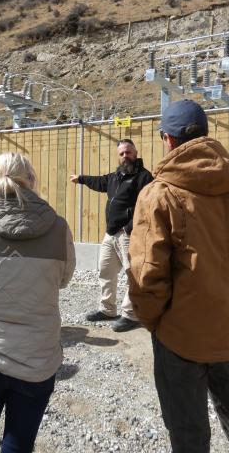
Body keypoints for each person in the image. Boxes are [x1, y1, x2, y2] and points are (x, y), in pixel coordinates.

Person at [128, 100, 229, 453]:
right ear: (206, 135)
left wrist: (156, 323)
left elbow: (148, 276)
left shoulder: (158, 195)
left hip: (181, 336)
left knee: (188, 433)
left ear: (167, 140)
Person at [0, 153, 75, 453]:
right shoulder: (59, 228)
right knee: (19, 445)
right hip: (37, 355)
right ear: (32, 180)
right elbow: (64, 279)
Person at [70, 139, 153, 332]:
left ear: (136, 152)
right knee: (105, 272)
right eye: (122, 153)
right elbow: (99, 182)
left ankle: (131, 315)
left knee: (133, 275)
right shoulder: (116, 176)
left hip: (128, 235)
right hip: (111, 234)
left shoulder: (144, 177)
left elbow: (148, 206)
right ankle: (108, 309)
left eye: (129, 152)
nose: (125, 156)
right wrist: (81, 178)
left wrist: (130, 227)